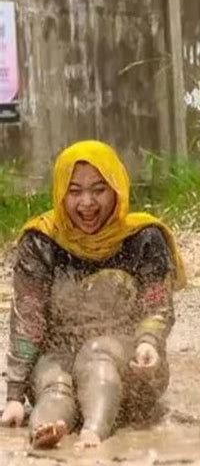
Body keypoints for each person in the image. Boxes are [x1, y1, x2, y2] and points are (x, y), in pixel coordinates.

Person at [0, 140, 186, 450]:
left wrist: (148, 343)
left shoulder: (144, 237)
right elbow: (27, 320)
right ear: (61, 194)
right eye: (74, 192)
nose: (87, 203)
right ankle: (46, 430)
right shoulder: (40, 241)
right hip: (59, 356)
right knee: (52, 382)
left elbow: (157, 305)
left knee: (97, 356)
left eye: (99, 189)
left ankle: (93, 433)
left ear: (117, 189)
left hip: (131, 367)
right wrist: (14, 397)